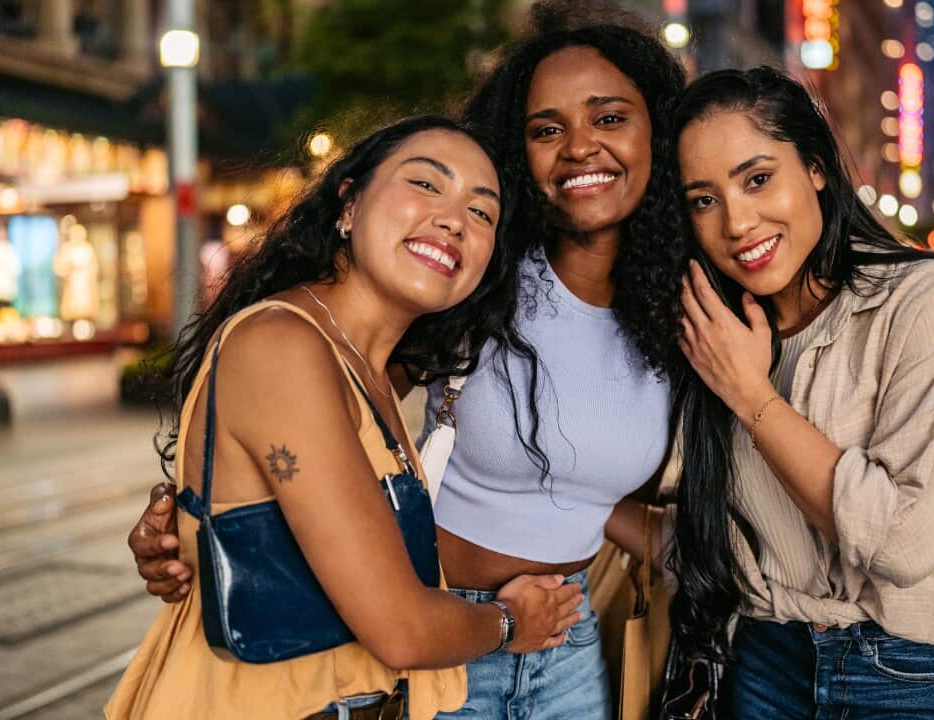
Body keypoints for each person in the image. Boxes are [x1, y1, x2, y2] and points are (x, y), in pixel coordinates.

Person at [126, 11, 690, 719]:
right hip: (443, 628)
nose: (580, 146)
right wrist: (192, 515)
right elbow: (317, 423)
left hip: (564, 636)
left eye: (609, 117)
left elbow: (584, 482)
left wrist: (692, 551)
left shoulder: (686, 306)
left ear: (657, 135)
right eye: (547, 129)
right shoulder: (472, 287)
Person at [105, 116, 583, 720]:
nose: (453, 219)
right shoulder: (283, 345)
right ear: (349, 204)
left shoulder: (369, 368)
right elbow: (400, 629)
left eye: (482, 213)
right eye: (426, 185)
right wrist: (513, 621)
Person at [669, 67, 934, 719]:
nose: (736, 221)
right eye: (703, 199)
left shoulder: (930, 304)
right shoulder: (720, 332)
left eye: (758, 179)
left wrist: (752, 397)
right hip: (765, 663)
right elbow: (719, 534)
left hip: (916, 677)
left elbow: (903, 544)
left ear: (816, 167)